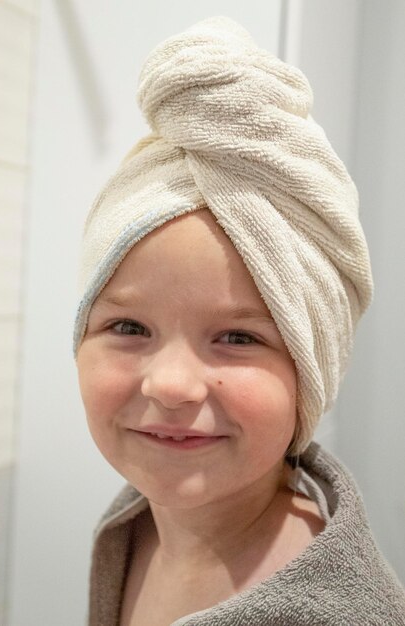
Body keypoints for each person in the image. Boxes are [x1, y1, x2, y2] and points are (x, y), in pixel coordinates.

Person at [73, 16, 405, 626]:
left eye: (237, 337)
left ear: (312, 370)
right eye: (127, 328)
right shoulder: (136, 523)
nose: (170, 384)